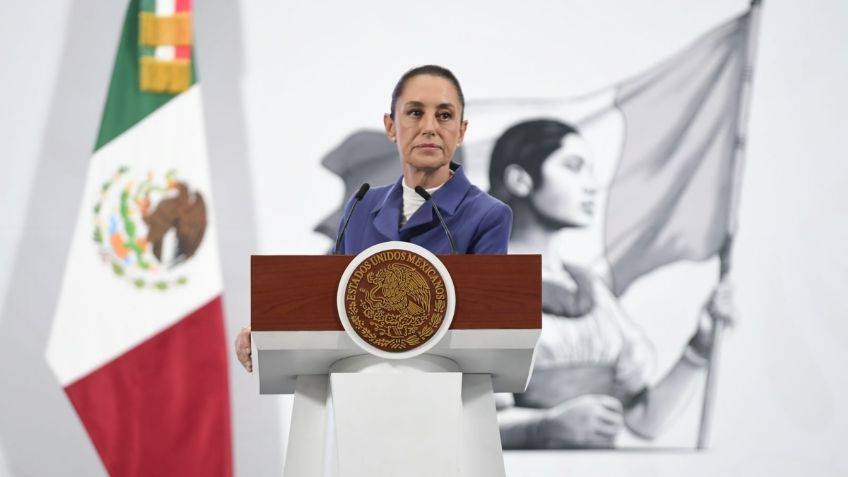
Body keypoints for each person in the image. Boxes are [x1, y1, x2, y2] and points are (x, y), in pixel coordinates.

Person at [235, 65, 512, 372]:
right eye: (415, 113)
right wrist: (268, 328)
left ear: (461, 131)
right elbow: (327, 294)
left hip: (443, 382)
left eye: (444, 115)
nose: (429, 127)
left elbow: (486, 320)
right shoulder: (362, 205)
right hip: (359, 381)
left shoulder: (488, 215)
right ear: (391, 127)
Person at [489, 118, 735, 448]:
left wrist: (700, 346)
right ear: (520, 180)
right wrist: (545, 426)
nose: (591, 186)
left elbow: (644, 421)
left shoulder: (592, 292)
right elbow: (465, 423)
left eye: (590, 171)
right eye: (573, 167)